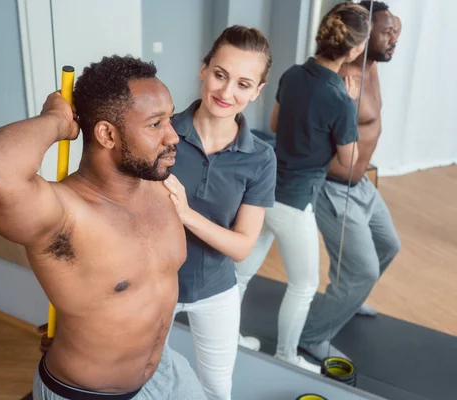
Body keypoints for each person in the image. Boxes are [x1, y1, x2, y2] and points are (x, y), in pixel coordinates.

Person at [0, 55, 206, 400]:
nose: (173, 135)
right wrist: (57, 121)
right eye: (155, 124)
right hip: (88, 393)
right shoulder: (63, 214)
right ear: (107, 134)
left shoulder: (160, 186)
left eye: (169, 118)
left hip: (165, 373)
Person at [234, 3, 369, 373]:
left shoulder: (292, 74)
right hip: (294, 202)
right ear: (355, 50)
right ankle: (286, 356)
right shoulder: (341, 100)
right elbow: (350, 160)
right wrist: (349, 106)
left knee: (241, 274)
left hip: (263, 190)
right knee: (304, 285)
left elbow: (276, 124)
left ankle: (229, 337)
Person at [163, 25, 277, 400]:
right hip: (155, 283)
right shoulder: (160, 134)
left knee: (216, 391)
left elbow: (243, 246)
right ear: (204, 69)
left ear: (258, 92)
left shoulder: (260, 158)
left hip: (216, 289)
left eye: (243, 84)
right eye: (220, 75)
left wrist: (186, 213)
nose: (226, 92)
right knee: (143, 380)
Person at [299, 1, 402, 362]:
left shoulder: (372, 65)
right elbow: (294, 130)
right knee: (362, 271)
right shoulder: (341, 73)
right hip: (334, 189)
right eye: (387, 32)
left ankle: (349, 295)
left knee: (388, 245)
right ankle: (311, 336)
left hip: (361, 186)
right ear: (362, 35)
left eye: (397, 32)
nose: (394, 39)